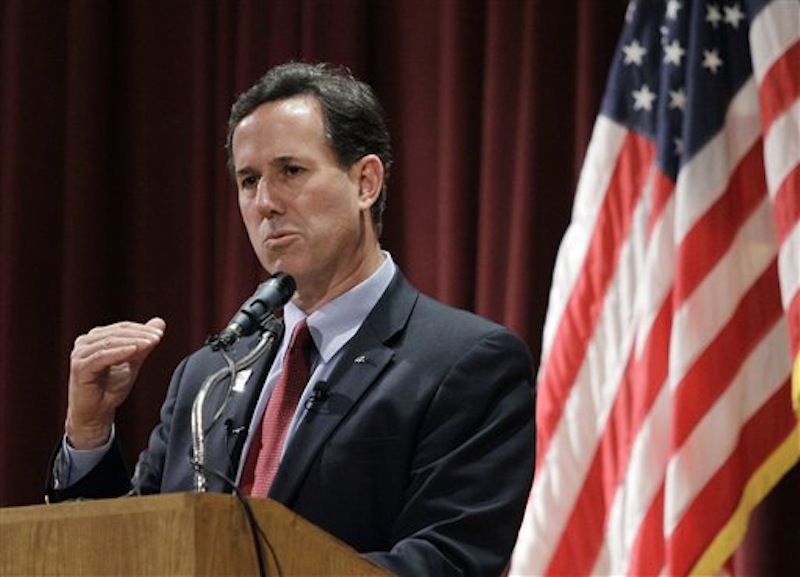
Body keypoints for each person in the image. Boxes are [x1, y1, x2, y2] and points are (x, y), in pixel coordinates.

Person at [46, 61, 535, 577]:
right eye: (249, 180)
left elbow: (448, 560)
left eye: (291, 172)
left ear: (366, 182)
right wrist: (90, 433)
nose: (265, 203)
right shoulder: (207, 376)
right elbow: (126, 549)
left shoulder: (466, 363)